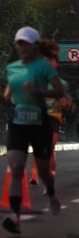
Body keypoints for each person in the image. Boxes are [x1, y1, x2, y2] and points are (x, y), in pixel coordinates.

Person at [0, 27, 63, 235]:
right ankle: (15, 217)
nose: (23, 47)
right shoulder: (12, 68)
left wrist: (39, 91)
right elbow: (8, 94)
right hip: (18, 122)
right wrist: (1, 98)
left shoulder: (44, 67)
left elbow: (59, 90)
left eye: (26, 44)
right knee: (16, 167)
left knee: (43, 172)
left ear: (35, 46)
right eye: (19, 43)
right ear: (16, 46)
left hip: (39, 122)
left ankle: (51, 192)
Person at [29, 39, 73, 184]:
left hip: (53, 118)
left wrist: (65, 103)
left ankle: (50, 173)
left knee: (50, 148)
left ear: (55, 64)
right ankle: (34, 176)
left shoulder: (62, 84)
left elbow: (69, 103)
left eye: (51, 60)